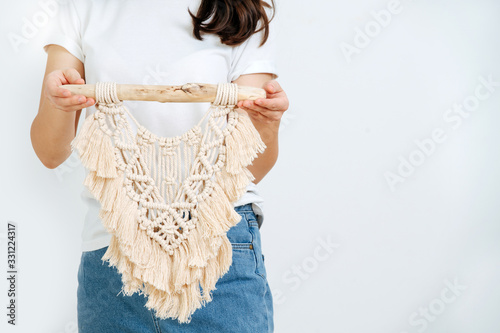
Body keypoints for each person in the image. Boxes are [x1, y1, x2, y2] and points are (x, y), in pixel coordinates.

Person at [30, 0, 289, 332]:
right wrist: (61, 104)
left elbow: (249, 171)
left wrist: (269, 124)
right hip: (112, 254)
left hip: (218, 251)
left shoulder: (242, 9)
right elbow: (49, 153)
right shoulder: (83, 6)